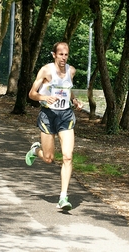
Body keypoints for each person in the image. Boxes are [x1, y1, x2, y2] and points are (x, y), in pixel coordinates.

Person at [25, 42, 83, 211]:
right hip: (48, 116)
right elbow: (31, 94)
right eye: (61, 54)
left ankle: (63, 197)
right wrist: (44, 97)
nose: (64, 58)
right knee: (49, 158)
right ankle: (36, 150)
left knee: (67, 156)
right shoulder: (46, 71)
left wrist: (74, 100)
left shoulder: (71, 71)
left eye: (66, 55)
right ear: (54, 55)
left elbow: (68, 89)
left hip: (66, 116)